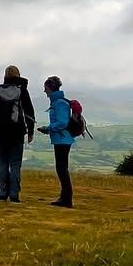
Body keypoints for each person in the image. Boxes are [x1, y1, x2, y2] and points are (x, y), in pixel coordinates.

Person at [0, 64, 34, 203]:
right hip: (17, 132)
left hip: (0, 133)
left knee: (2, 163)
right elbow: (29, 112)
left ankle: (3, 192)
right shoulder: (22, 91)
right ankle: (14, 194)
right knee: (15, 164)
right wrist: (30, 131)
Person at [37, 75, 75, 208]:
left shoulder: (59, 103)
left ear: (50, 88)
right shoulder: (58, 102)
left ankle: (66, 199)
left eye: (45, 88)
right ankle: (64, 197)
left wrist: (48, 128)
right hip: (61, 139)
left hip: (62, 139)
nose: (44, 91)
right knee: (61, 168)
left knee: (61, 168)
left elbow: (63, 122)